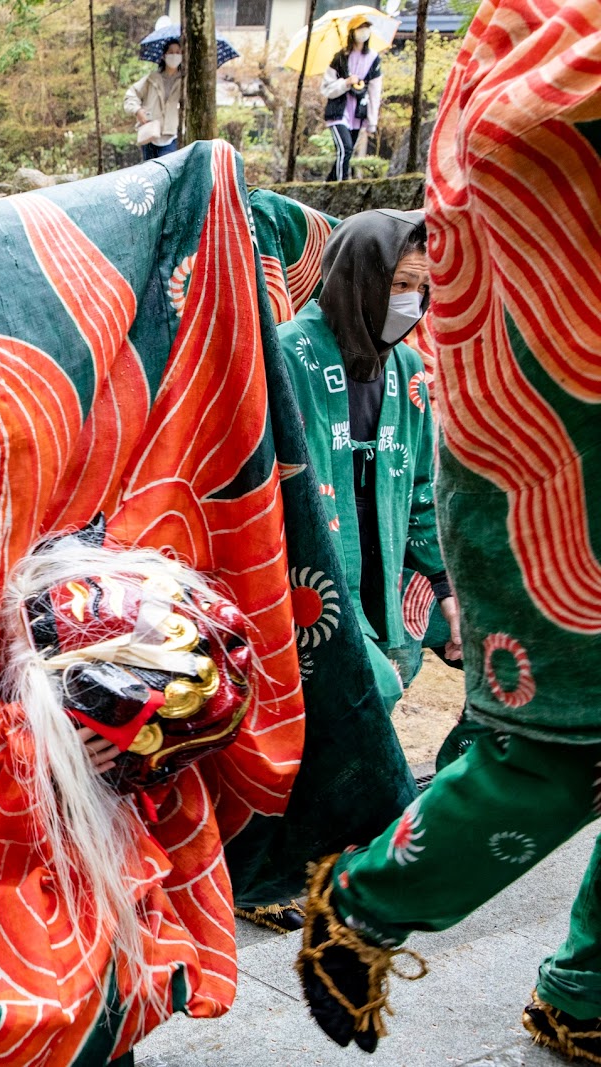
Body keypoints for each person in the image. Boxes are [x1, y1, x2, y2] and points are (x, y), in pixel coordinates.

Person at [296, 1, 601, 1059]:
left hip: (446, 528)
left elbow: (414, 497)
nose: (411, 301)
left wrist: (431, 592)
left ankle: (591, 986)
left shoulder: (413, 375)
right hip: (556, 467)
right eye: (402, 285)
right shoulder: (548, 59)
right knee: (555, 747)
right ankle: (363, 899)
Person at [277, 209, 459, 718]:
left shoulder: (405, 366)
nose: (413, 303)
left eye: (423, 289)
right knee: (357, 693)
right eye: (401, 283)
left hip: (385, 563)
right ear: (360, 276)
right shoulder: (290, 355)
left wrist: (446, 586)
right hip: (311, 574)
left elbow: (421, 487)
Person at [322, 17, 382, 181]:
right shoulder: (340, 58)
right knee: (345, 149)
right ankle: (343, 186)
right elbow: (326, 89)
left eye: (366, 27)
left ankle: (329, 184)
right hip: (338, 112)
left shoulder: (373, 59)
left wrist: (372, 121)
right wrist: (345, 83)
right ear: (352, 32)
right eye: (360, 28)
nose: (364, 31)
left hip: (358, 113)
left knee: (346, 154)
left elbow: (375, 91)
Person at [124, 41, 184, 162]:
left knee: (167, 172)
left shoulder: (184, 81)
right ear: (164, 55)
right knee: (149, 174)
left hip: (172, 136)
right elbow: (131, 95)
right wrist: (137, 110)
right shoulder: (152, 79)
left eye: (178, 52)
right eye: (171, 52)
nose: (174, 55)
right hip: (150, 133)